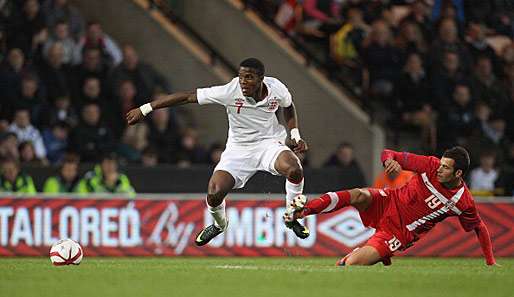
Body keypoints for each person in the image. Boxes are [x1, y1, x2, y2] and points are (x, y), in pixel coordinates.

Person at [126, 58, 309, 245]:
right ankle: (219, 224)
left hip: (268, 144)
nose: (243, 82)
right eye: (241, 77)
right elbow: (188, 96)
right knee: (214, 192)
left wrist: (295, 134)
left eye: (249, 78)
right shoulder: (230, 91)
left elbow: (288, 107)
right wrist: (146, 108)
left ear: (261, 79)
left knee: (294, 169)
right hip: (238, 150)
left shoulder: (276, 88)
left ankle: (292, 215)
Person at [284, 146, 496, 266]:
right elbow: (389, 153)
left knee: (352, 265)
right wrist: (388, 162)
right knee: (358, 194)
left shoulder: (462, 201)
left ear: (458, 173)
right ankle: (304, 211)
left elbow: (479, 227)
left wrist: (490, 261)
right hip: (388, 200)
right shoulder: (430, 165)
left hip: (399, 232)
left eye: (446, 168)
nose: (439, 169)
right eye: (440, 164)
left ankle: (355, 256)